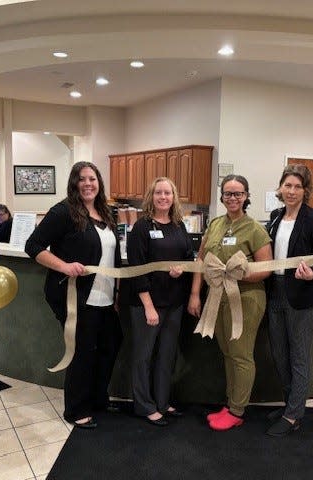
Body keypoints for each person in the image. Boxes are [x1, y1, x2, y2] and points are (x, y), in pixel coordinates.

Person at [24, 161, 122, 429]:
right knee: (82, 353)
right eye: (82, 179)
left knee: (110, 346)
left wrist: (117, 292)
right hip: (76, 298)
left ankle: (97, 399)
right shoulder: (63, 212)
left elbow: (113, 256)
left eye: (92, 178)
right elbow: (32, 246)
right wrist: (65, 266)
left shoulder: (106, 212)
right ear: (74, 183)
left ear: (99, 182)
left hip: (105, 298)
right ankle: (76, 410)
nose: (88, 183)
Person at [187, 174, 272, 431]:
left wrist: (237, 274)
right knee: (227, 351)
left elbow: (266, 268)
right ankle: (230, 402)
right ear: (221, 196)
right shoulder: (215, 224)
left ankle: (237, 410)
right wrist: (194, 294)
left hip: (245, 297)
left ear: (246, 196)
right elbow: (201, 261)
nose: (232, 198)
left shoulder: (254, 228)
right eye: (228, 193)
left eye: (238, 193)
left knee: (240, 354)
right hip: (217, 296)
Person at [264, 164, 313, 436]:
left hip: (302, 296)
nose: (291, 191)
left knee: (298, 356)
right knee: (279, 354)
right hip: (275, 290)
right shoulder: (276, 217)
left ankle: (293, 415)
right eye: (287, 185)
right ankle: (291, 402)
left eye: (297, 186)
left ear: (305, 190)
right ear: (280, 187)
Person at [126, 177, 194, 426]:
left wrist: (181, 269)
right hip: (147, 304)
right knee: (143, 355)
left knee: (167, 354)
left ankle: (163, 402)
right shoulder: (141, 228)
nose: (163, 197)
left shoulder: (179, 226)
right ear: (151, 197)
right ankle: (144, 406)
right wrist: (148, 306)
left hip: (173, 303)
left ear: (174, 197)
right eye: (158, 193)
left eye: (168, 193)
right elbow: (137, 269)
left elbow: (188, 257)